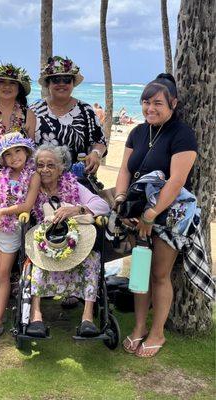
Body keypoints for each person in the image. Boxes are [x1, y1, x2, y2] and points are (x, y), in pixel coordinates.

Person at [115, 73, 214, 357]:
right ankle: (138, 327)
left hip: (170, 212)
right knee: (140, 270)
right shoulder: (137, 131)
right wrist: (122, 200)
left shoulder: (181, 133)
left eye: (157, 103)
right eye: (146, 103)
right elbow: (125, 169)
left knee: (159, 273)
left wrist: (151, 214)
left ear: (173, 103)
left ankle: (157, 332)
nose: (150, 109)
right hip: (137, 210)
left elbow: (177, 180)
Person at [23, 144, 110, 338]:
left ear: (61, 167)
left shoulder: (73, 185)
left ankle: (87, 318)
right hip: (46, 241)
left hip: (75, 242)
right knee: (36, 262)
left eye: (51, 165)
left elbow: (102, 205)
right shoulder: (32, 187)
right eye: (40, 165)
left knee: (92, 259)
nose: (44, 170)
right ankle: (36, 317)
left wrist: (76, 209)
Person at [0, 133, 40, 343]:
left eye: (18, 151)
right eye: (8, 154)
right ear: (2, 159)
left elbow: (26, 206)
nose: (14, 157)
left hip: (12, 230)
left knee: (3, 274)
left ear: (27, 151)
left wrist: (2, 213)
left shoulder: (33, 176)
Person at [31, 56, 107, 175]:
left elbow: (99, 141)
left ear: (73, 84)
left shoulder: (85, 110)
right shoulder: (34, 109)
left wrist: (96, 153)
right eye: (56, 80)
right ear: (48, 84)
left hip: (78, 180)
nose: (62, 84)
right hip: (41, 179)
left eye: (67, 80)